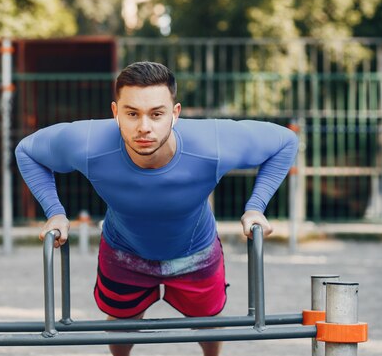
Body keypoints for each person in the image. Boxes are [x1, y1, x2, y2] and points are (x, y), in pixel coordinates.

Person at [15, 61, 298, 356]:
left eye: (157, 114)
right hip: (124, 252)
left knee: (208, 328)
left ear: (175, 114)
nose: (144, 127)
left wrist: (255, 206)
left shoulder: (212, 143)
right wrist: (55, 212)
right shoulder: (88, 143)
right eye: (132, 113)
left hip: (196, 252)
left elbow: (285, 142)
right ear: (115, 113)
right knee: (120, 331)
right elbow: (28, 151)